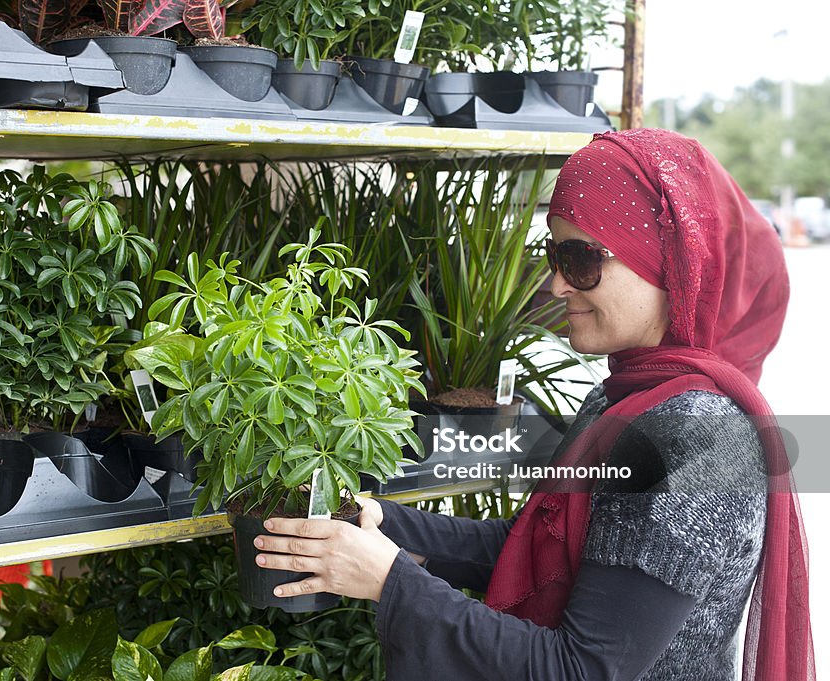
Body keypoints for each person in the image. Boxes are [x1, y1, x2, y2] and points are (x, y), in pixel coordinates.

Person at [252, 129, 815, 680]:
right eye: (554, 256)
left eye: (580, 260)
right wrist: (389, 524)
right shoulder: (626, 398)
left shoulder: (696, 438)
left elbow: (581, 667)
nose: (555, 287)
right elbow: (541, 548)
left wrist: (390, 578)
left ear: (666, 262)